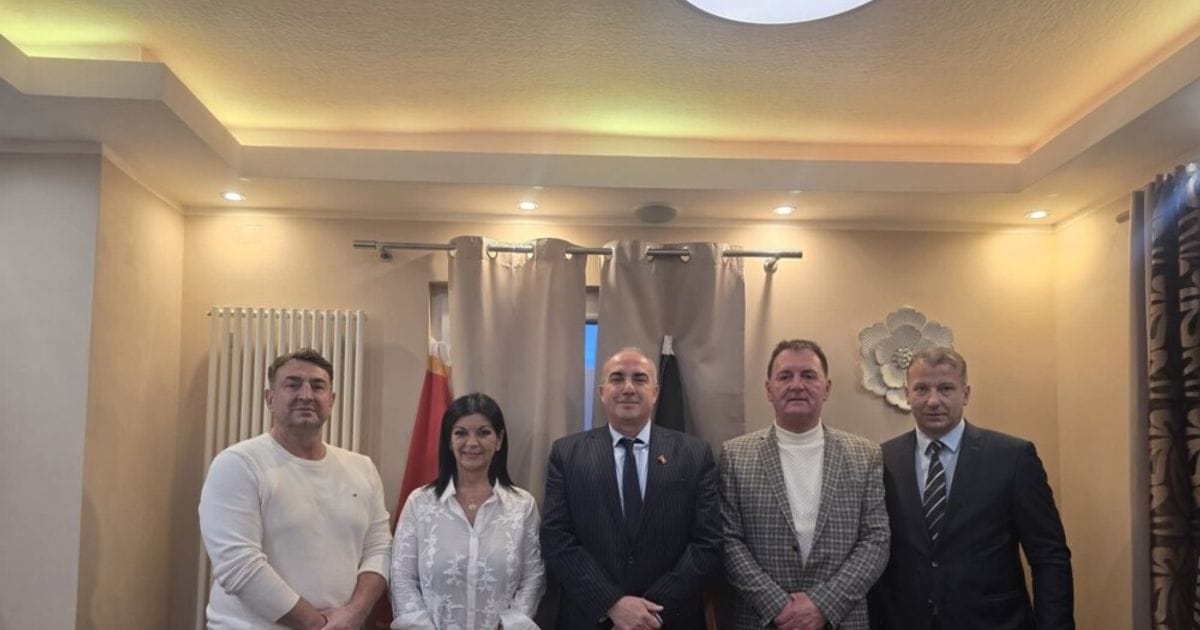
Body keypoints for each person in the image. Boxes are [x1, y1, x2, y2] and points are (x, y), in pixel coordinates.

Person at [869, 347, 1074, 629]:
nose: (933, 401)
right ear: (907, 394)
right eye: (921, 389)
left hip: (995, 622)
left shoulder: (1013, 458)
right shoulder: (882, 460)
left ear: (965, 394)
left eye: (946, 388)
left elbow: (1048, 556)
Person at [199, 348, 391, 629]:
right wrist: (317, 625)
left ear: (331, 400)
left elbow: (380, 548)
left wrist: (355, 613)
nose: (306, 395)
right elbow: (239, 565)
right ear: (270, 398)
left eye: (318, 386)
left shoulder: (363, 468)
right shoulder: (237, 464)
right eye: (293, 384)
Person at [541, 347, 721, 629]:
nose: (628, 388)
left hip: (670, 618)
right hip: (592, 618)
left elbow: (708, 543)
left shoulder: (694, 455)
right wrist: (613, 604)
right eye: (617, 378)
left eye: (639, 378)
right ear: (602, 392)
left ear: (655, 393)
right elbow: (556, 538)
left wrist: (648, 611)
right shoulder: (567, 455)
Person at [720, 339, 889, 630]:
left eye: (808, 376)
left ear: (827, 388)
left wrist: (823, 604)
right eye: (785, 376)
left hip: (840, 618)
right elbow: (728, 540)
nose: (797, 385)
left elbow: (876, 539)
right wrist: (778, 606)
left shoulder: (865, 454)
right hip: (763, 619)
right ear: (768, 389)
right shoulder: (735, 455)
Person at [389, 392, 546, 629]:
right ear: (449, 441)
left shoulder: (522, 506)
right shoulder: (420, 503)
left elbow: (533, 578)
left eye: (483, 433)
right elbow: (402, 578)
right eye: (461, 433)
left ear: (499, 440)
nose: (472, 443)